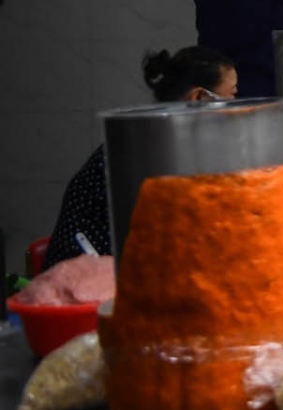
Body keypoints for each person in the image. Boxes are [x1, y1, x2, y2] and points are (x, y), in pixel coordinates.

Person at [48, 47, 238, 263]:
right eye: (231, 96)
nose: (235, 107)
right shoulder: (148, 150)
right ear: (200, 97)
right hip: (87, 277)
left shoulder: (172, 143)